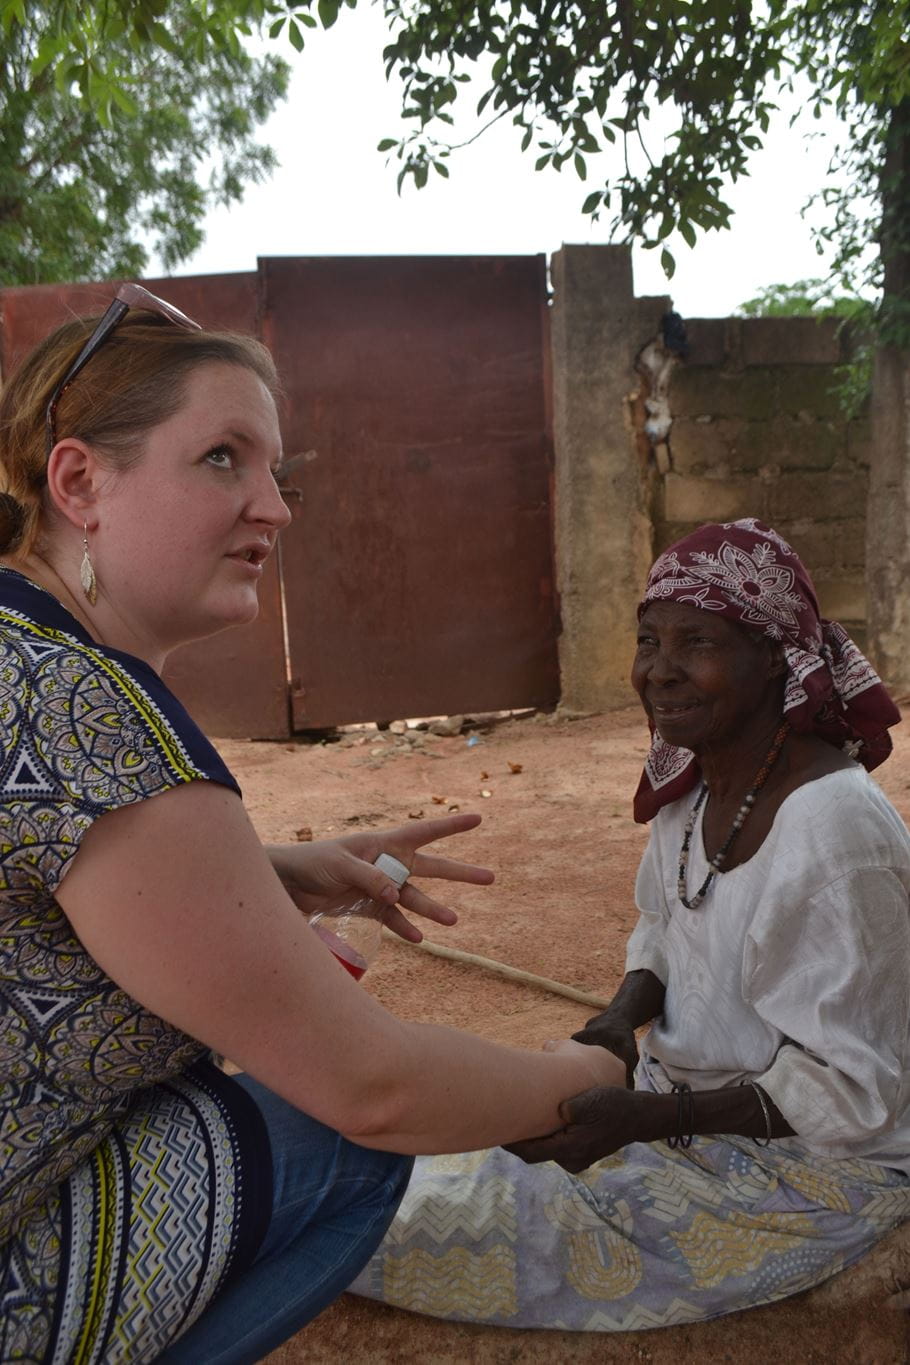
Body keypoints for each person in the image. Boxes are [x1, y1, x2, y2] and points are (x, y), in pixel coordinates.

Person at [0, 283, 624, 1363]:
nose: (276, 508)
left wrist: (270, 874)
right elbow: (375, 1089)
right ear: (79, 480)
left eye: (274, 472)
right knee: (342, 1136)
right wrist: (582, 1080)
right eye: (222, 460)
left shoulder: (24, 655)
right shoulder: (98, 726)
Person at [352, 517, 910, 1331]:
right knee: (404, 1171)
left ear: (775, 659)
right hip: (675, 1107)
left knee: (396, 1232)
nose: (660, 672)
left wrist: (651, 1122)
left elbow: (851, 1090)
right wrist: (617, 1023)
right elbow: (662, 929)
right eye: (650, 641)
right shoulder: (694, 779)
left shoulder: (834, 833)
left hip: (811, 1170)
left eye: (698, 643)